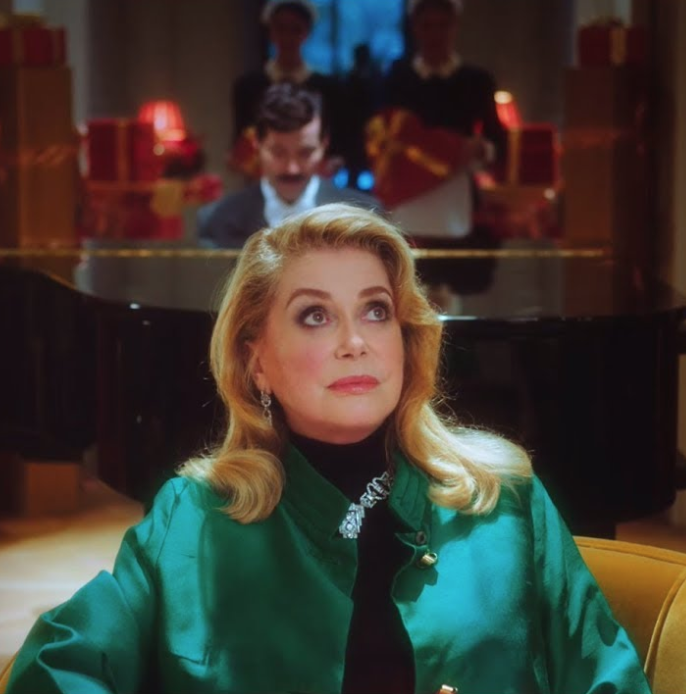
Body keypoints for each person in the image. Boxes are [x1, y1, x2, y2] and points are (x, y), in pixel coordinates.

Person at [6, 203, 652, 693]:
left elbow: (609, 677)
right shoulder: (194, 515)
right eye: (315, 315)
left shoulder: (505, 498)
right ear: (256, 361)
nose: (356, 342)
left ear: (406, 339)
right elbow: (57, 668)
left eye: (376, 311)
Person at [380, 0, 507, 238]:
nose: (435, 35)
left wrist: (481, 149)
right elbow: (382, 136)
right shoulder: (396, 80)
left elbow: (497, 140)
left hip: (457, 193)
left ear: (454, 27)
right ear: (415, 27)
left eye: (443, 26)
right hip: (408, 195)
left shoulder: (476, 81)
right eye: (427, 26)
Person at [199, 83, 380, 248]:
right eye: (278, 153)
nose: (292, 169)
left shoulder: (366, 217)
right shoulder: (217, 220)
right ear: (257, 145)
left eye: (305, 153)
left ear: (324, 144)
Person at [231, 0, 344, 167]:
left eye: (295, 29)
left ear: (307, 33)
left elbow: (339, 148)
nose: (287, 37)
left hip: (314, 176)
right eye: (281, 28)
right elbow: (240, 144)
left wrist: (329, 164)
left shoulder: (328, 89)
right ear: (270, 32)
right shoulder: (247, 86)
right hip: (262, 176)